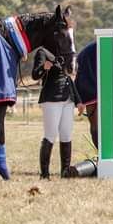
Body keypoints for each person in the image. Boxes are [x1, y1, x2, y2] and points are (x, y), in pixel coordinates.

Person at [32, 46, 84, 179]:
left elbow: (68, 79)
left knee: (66, 135)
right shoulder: (43, 52)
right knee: (50, 135)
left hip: (68, 99)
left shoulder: (64, 53)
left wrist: (78, 100)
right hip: (51, 98)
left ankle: (65, 172)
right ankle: (44, 174)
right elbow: (35, 75)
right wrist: (44, 67)